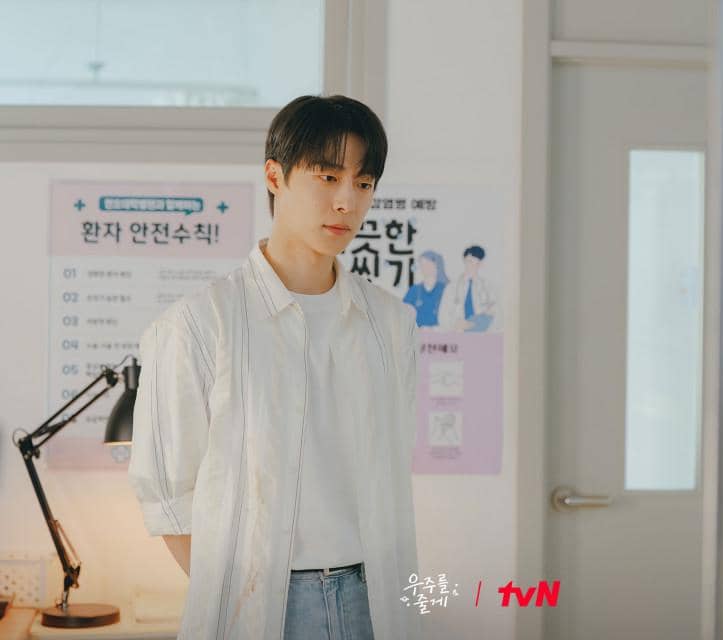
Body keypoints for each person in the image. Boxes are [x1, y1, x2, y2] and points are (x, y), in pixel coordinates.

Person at [127, 95, 422, 640]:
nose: (346, 202)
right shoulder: (201, 323)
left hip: (376, 595)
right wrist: (244, 596)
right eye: (327, 177)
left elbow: (392, 465)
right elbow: (168, 496)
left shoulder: (391, 324)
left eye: (363, 183)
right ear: (274, 176)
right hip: (262, 606)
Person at [440, 245, 496, 332]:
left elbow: (495, 314)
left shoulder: (488, 287)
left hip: (482, 333)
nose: (472, 266)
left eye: (476, 263)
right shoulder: (452, 287)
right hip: (457, 332)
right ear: (464, 260)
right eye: (469, 261)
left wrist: (475, 323)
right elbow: (443, 316)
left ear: (481, 264)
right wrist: (454, 324)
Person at [402, 250, 448, 328]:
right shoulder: (414, 290)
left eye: (428, 264)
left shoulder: (445, 289)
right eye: (422, 264)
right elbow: (403, 313)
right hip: (417, 332)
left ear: (436, 265)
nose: (425, 267)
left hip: (440, 333)